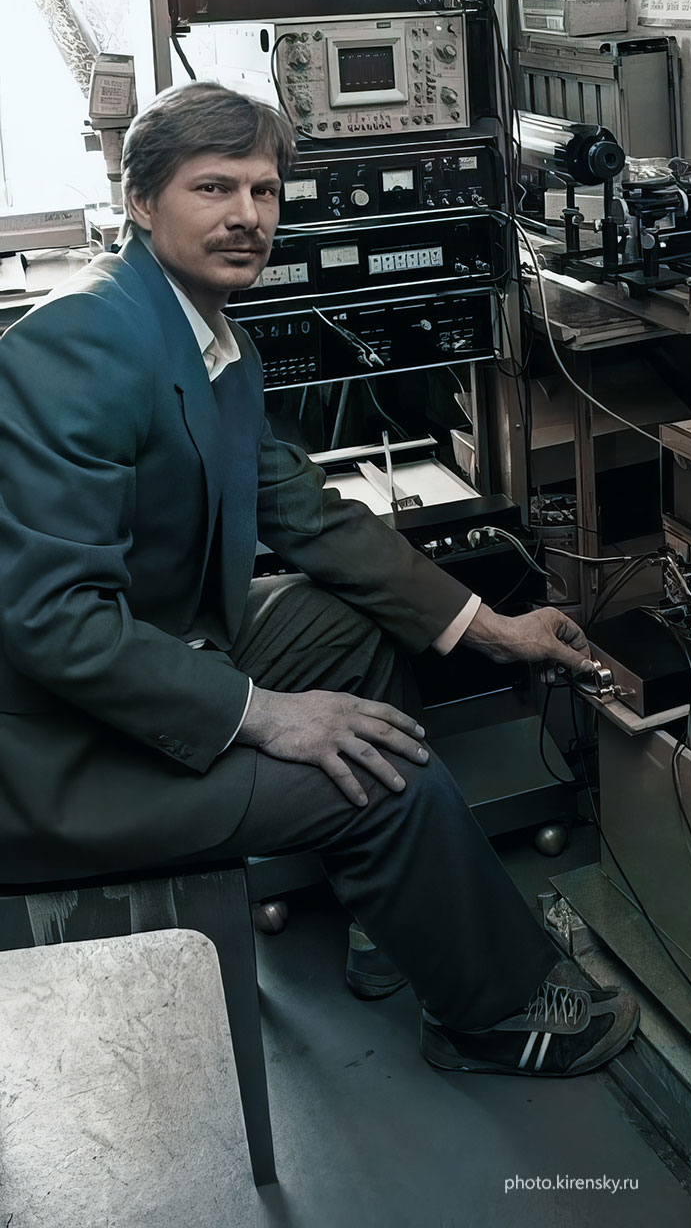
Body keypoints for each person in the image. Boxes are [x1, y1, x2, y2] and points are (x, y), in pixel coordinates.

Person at [0, 82, 637, 1078]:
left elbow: (304, 513)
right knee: (390, 778)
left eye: (264, 190)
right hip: (52, 751)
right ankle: (487, 1016)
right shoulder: (76, 343)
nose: (247, 215)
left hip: (151, 651)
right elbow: (51, 623)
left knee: (346, 631)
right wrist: (262, 714)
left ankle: (396, 913)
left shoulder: (209, 336)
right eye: (214, 187)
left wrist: (493, 627)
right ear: (140, 200)